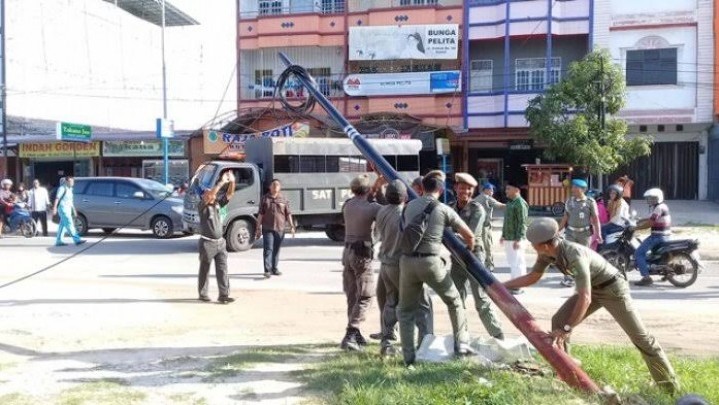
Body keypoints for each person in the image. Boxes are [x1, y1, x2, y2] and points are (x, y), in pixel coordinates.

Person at [504, 218, 679, 392]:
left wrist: (567, 328)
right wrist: (502, 286)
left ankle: (670, 388)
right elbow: (533, 277)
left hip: (613, 290)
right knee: (558, 320)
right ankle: (569, 374)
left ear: (544, 245)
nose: (533, 247)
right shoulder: (547, 253)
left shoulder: (574, 255)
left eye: (534, 244)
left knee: (641, 339)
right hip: (593, 288)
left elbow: (584, 298)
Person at [398, 174, 476, 367]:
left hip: (407, 263)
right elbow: (469, 235)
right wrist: (468, 251)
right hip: (431, 262)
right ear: (440, 191)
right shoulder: (443, 209)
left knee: (406, 311)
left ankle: (409, 358)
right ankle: (462, 345)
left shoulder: (409, 206)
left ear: (422, 188)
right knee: (454, 301)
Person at [373, 180, 434, 355]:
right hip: (401, 265)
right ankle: (425, 342)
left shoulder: (382, 211)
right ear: (405, 196)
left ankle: (388, 343)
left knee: (391, 303)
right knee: (421, 305)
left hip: (386, 265)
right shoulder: (404, 214)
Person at [450, 173, 504, 340]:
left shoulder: (477, 209)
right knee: (456, 300)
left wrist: (448, 234)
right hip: (456, 259)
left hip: (474, 258)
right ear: (455, 188)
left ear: (472, 191)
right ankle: (461, 336)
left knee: (481, 299)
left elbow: (470, 235)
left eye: (467, 188)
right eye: (461, 187)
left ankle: (498, 336)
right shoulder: (450, 207)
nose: (463, 191)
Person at [340, 174, 382, 351]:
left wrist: (375, 186)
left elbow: (367, 200)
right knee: (365, 295)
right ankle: (351, 332)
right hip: (361, 254)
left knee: (352, 294)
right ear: (367, 190)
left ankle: (354, 333)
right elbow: (384, 208)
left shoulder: (348, 205)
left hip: (347, 252)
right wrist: (380, 189)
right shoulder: (372, 208)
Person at [197, 170, 236, 304]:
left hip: (220, 242)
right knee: (205, 269)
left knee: (222, 269)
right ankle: (203, 294)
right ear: (204, 196)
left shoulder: (218, 204)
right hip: (207, 243)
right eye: (208, 192)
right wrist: (220, 183)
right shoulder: (202, 206)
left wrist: (232, 181)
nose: (212, 194)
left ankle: (224, 295)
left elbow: (230, 194)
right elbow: (210, 195)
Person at [557, 179, 602, 287]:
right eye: (572, 187)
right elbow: (565, 217)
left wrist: (598, 233)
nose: (573, 189)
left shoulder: (590, 202)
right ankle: (569, 278)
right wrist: (558, 230)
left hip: (584, 234)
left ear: (583, 189)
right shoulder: (569, 201)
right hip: (570, 233)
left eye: (575, 187)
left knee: (582, 256)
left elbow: (595, 219)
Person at [255, 179, 295, 278]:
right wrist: (258, 228)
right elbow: (260, 214)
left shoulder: (284, 199)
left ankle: (274, 268)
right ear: (270, 187)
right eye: (274, 184)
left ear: (280, 187)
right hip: (267, 228)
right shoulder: (265, 199)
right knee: (268, 249)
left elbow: (288, 214)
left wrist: (291, 226)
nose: (275, 186)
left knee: (276, 249)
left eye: (277, 184)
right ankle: (267, 270)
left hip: (280, 228)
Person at [634, 188, 671, 287]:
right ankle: (663, 271)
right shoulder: (662, 206)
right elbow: (652, 218)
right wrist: (641, 220)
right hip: (665, 235)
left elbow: (650, 223)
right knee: (652, 254)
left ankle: (646, 278)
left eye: (652, 199)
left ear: (658, 198)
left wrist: (635, 228)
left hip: (658, 236)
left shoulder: (658, 208)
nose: (650, 200)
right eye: (650, 198)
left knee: (638, 253)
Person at [500, 181, 529, 295]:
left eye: (508, 189)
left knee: (518, 262)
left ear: (516, 190)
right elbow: (506, 221)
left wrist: (519, 239)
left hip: (516, 239)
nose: (506, 191)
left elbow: (522, 223)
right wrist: (503, 235)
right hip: (509, 238)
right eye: (506, 189)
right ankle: (515, 283)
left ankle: (518, 286)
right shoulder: (510, 203)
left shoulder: (520, 203)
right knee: (513, 262)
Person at [474, 183, 505, 272]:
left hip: (476, 226)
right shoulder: (487, 198)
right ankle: (489, 264)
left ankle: (480, 264)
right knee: (488, 245)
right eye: (491, 190)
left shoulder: (476, 198)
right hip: (484, 226)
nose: (492, 192)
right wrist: (513, 205)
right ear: (486, 190)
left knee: (479, 245)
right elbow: (500, 206)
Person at [52, 176, 86, 247]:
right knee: (69, 223)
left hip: (68, 209)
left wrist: (73, 210)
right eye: (71, 181)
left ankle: (59, 241)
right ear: (67, 181)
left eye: (73, 181)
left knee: (62, 225)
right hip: (63, 208)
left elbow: (70, 201)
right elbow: (57, 198)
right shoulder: (62, 188)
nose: (72, 183)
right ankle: (77, 240)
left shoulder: (70, 189)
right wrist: (54, 208)